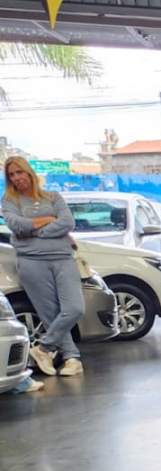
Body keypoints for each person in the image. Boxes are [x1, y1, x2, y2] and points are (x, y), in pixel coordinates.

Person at [2, 156, 84, 377]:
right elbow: (16, 225)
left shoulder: (53, 197)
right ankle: (72, 359)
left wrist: (35, 232)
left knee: (74, 308)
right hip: (32, 261)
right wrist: (48, 220)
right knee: (50, 313)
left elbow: (68, 222)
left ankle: (43, 349)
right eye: (11, 174)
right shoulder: (10, 200)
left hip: (63, 257)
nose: (16, 177)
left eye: (19, 172)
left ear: (29, 172)